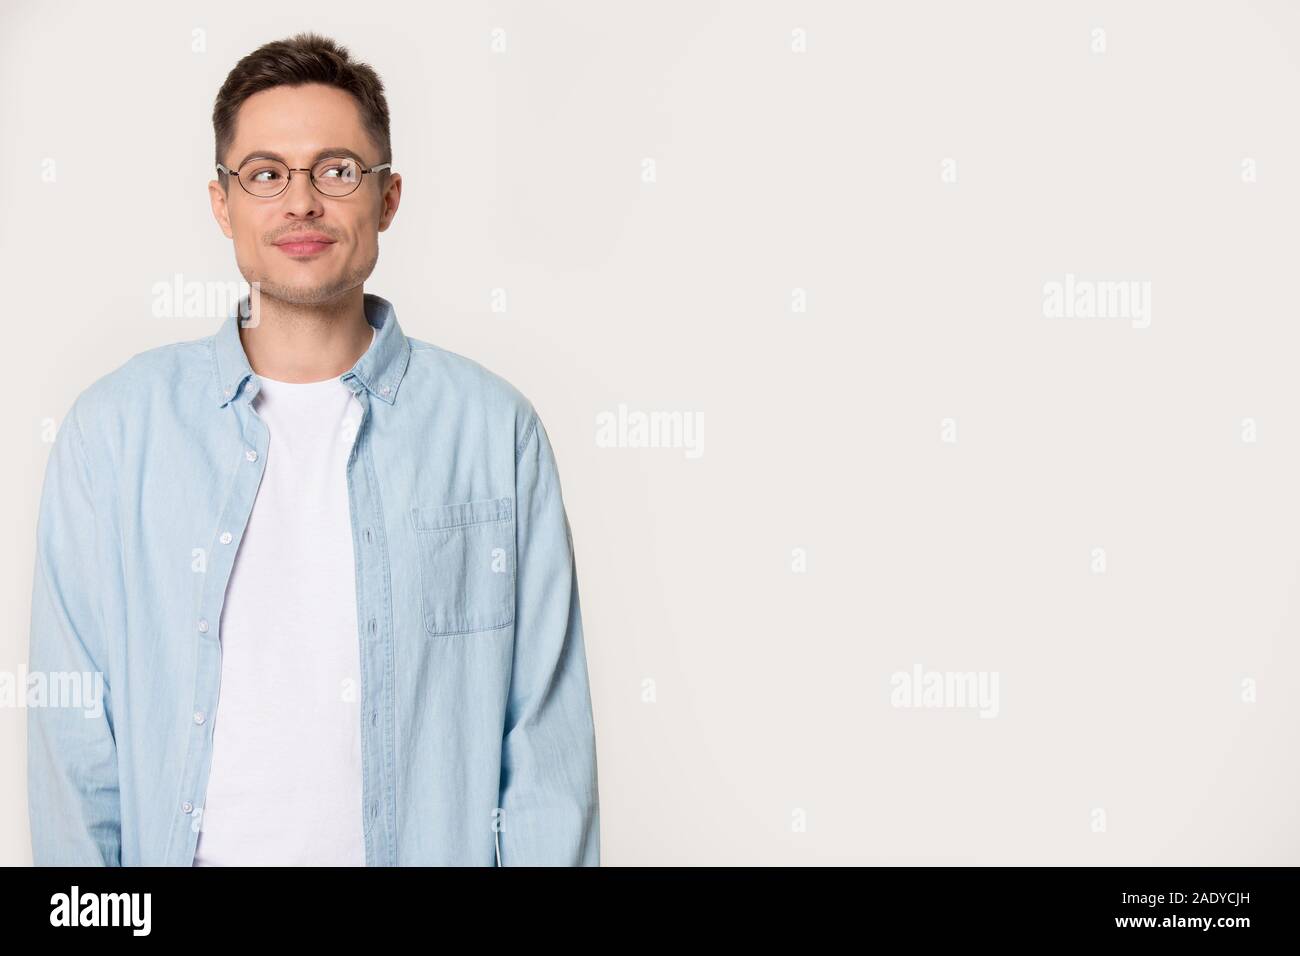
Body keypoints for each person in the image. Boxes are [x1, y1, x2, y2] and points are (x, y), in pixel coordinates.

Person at [27, 32, 599, 866]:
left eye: (336, 171)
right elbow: (75, 748)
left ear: (389, 197)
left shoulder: (493, 432)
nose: (301, 203)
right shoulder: (113, 435)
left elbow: (547, 757)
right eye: (265, 174)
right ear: (223, 203)